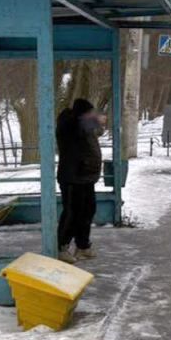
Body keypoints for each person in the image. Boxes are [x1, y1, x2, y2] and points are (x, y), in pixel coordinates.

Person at [56, 98, 107, 263]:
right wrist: (95, 120)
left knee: (88, 211)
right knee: (72, 213)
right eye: (90, 113)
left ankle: (82, 246)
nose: (93, 115)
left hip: (86, 176)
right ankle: (61, 247)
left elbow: (95, 131)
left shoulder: (84, 126)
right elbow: (77, 126)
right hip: (73, 177)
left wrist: (95, 122)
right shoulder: (69, 124)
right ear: (82, 114)